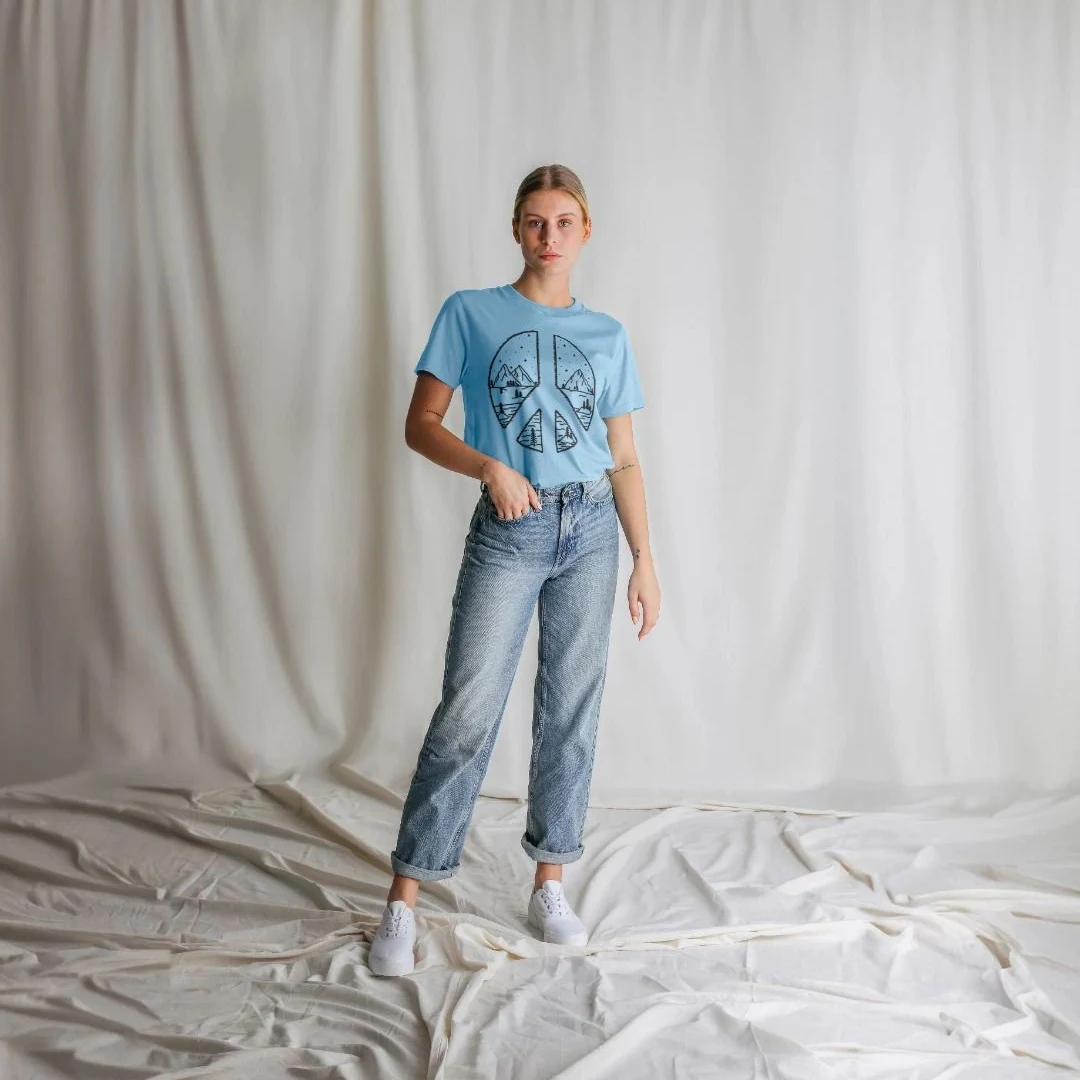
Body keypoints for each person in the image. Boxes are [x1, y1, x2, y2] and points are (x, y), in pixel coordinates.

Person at [368, 164, 662, 977]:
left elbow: (624, 457)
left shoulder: (607, 335)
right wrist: (489, 467)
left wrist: (644, 559)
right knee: (468, 710)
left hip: (592, 531)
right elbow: (421, 424)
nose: (548, 236)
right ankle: (404, 898)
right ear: (516, 230)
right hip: (510, 528)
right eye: (535, 221)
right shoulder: (470, 313)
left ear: (585, 232)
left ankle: (550, 882)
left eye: (564, 222)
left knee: (571, 710)